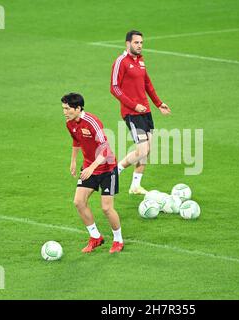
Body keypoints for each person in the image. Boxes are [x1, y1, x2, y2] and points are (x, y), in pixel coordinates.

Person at [110, 30, 171, 195]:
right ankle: (115, 171)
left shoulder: (141, 61)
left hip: (146, 111)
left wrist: (159, 104)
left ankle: (135, 186)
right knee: (142, 151)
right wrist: (133, 105)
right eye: (136, 42)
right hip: (132, 113)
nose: (140, 46)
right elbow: (114, 88)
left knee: (147, 150)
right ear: (128, 43)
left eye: (141, 43)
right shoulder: (121, 62)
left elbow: (147, 83)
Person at [62, 92, 124, 253]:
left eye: (67, 108)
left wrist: (91, 168)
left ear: (78, 108)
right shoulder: (70, 123)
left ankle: (118, 240)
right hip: (90, 167)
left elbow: (105, 150)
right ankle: (96, 237)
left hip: (107, 168)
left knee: (106, 208)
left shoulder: (92, 122)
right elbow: (76, 140)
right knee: (79, 202)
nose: (64, 112)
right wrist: (74, 160)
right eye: (63, 108)